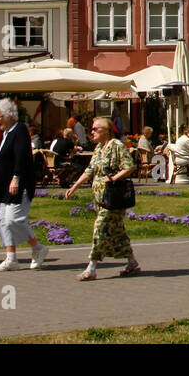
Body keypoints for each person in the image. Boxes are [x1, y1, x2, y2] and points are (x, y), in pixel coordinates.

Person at [65, 117, 140, 280]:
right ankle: (132, 262)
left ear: (107, 131)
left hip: (114, 197)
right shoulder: (99, 148)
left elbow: (130, 166)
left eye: (96, 129)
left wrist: (113, 178)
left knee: (100, 228)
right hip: (100, 198)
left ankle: (91, 267)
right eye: (92, 129)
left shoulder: (116, 146)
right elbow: (90, 170)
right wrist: (75, 186)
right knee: (117, 232)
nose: (92, 132)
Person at [0, 98, 48, 271]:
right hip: (2, 183)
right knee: (2, 220)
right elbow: (6, 157)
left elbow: (22, 157)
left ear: (9, 116)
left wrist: (16, 178)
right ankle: (11, 257)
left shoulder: (19, 130)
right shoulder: (6, 134)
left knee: (13, 219)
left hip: (17, 183)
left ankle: (38, 247)